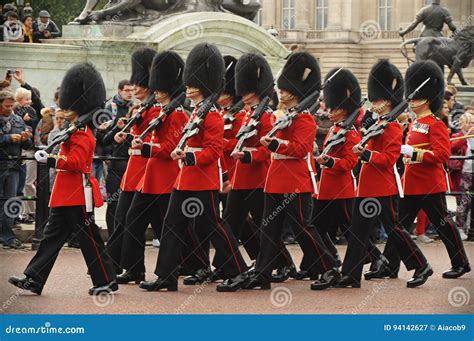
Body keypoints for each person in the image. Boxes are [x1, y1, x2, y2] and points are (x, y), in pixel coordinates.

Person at [139, 43, 249, 293]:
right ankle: (166, 276)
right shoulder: (197, 111)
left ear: (203, 85)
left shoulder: (211, 115)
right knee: (172, 225)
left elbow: (213, 150)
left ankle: (239, 271)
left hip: (202, 180)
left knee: (215, 226)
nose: (186, 88)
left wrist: (188, 157)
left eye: (192, 84)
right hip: (185, 180)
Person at [8, 63, 117, 296]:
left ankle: (106, 279)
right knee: (51, 236)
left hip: (76, 193)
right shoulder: (74, 129)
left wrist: (51, 160)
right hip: (65, 192)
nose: (64, 110)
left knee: (89, 239)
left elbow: (77, 163)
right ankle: (34, 278)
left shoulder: (83, 133)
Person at [245, 52, 339, 291]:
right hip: (275, 179)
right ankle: (262, 273)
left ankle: (329, 267)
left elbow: (301, 149)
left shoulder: (304, 119)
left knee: (302, 229)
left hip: (295, 182)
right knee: (268, 229)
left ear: (296, 92)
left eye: (286, 90)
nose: (282, 92)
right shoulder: (283, 116)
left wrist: (275, 144)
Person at [335, 60, 430, 289]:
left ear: (388, 101)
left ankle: (421, 265)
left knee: (395, 230)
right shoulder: (375, 124)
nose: (373, 103)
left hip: (384, 187)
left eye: (377, 100)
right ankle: (350, 274)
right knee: (357, 232)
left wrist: (366, 155)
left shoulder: (393, 127)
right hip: (367, 186)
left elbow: (388, 159)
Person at [116, 51, 189, 285]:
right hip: (149, 178)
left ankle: (176, 270)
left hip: (166, 179)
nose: (154, 90)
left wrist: (146, 148)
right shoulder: (159, 110)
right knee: (132, 221)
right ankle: (134, 269)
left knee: (169, 228)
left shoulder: (177, 114)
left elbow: (170, 146)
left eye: (158, 88)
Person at [394, 60, 470, 280]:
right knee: (398, 227)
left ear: (426, 99)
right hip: (412, 183)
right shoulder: (415, 123)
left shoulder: (435, 124)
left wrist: (413, 153)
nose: (411, 100)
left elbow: (442, 155)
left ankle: (461, 263)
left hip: (429, 184)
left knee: (443, 225)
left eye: (415, 97)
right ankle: (394, 266)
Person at [107, 47, 160, 274]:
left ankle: (183, 264)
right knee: (126, 219)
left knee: (151, 222)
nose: (133, 88)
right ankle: (123, 265)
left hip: (149, 170)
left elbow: (155, 140)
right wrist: (125, 135)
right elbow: (139, 136)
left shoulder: (157, 109)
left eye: (137, 84)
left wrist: (134, 139)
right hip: (134, 169)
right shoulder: (140, 108)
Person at [99, 80, 134, 236]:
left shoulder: (133, 107)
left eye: (132, 90)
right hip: (115, 162)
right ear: (119, 91)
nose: (130, 93)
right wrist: (107, 155)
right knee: (114, 203)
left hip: (130, 164)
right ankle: (114, 235)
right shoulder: (110, 108)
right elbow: (102, 137)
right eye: (127, 90)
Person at [0, 90, 32, 249]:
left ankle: (7, 236)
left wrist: (26, 139)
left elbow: (28, 145)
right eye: (6, 106)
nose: (9, 109)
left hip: (14, 166)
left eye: (11, 106)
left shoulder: (18, 119)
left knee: (11, 200)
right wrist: (8, 138)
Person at [14, 87, 38, 224]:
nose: (29, 101)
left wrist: (27, 121)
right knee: (19, 184)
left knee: (28, 182)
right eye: (26, 99)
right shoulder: (14, 111)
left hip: (29, 148)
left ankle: (31, 211)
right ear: (19, 100)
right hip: (19, 150)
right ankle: (19, 213)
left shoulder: (32, 111)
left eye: (30, 99)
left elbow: (34, 124)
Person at [451, 112, 473, 241]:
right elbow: (453, 147)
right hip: (464, 172)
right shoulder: (457, 136)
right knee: (463, 201)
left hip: (472, 171)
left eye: (473, 122)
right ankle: (459, 227)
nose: (472, 125)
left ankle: (469, 228)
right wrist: (467, 135)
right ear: (463, 124)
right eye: (469, 122)